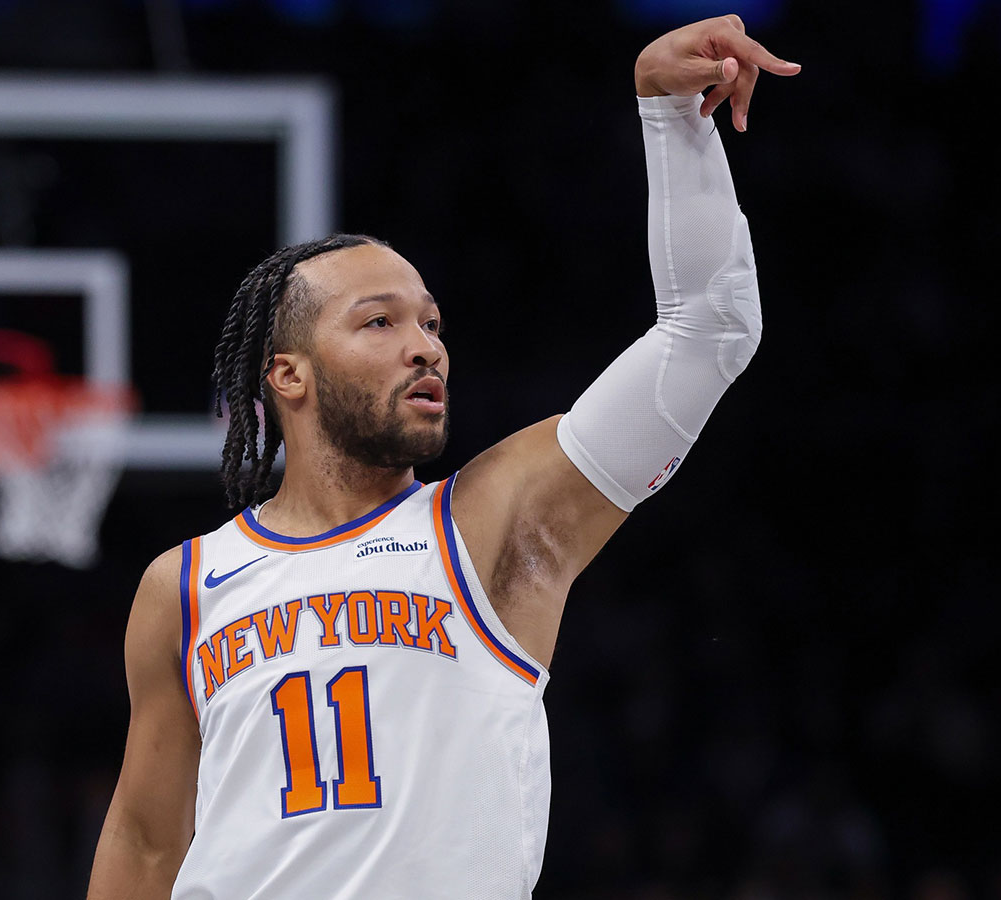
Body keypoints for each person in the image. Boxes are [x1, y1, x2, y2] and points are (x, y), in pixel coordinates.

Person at [86, 14, 799, 898]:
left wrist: (670, 114)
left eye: (431, 323)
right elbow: (147, 841)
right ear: (288, 374)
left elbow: (711, 329)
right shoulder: (185, 586)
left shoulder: (491, 523)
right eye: (379, 322)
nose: (425, 346)